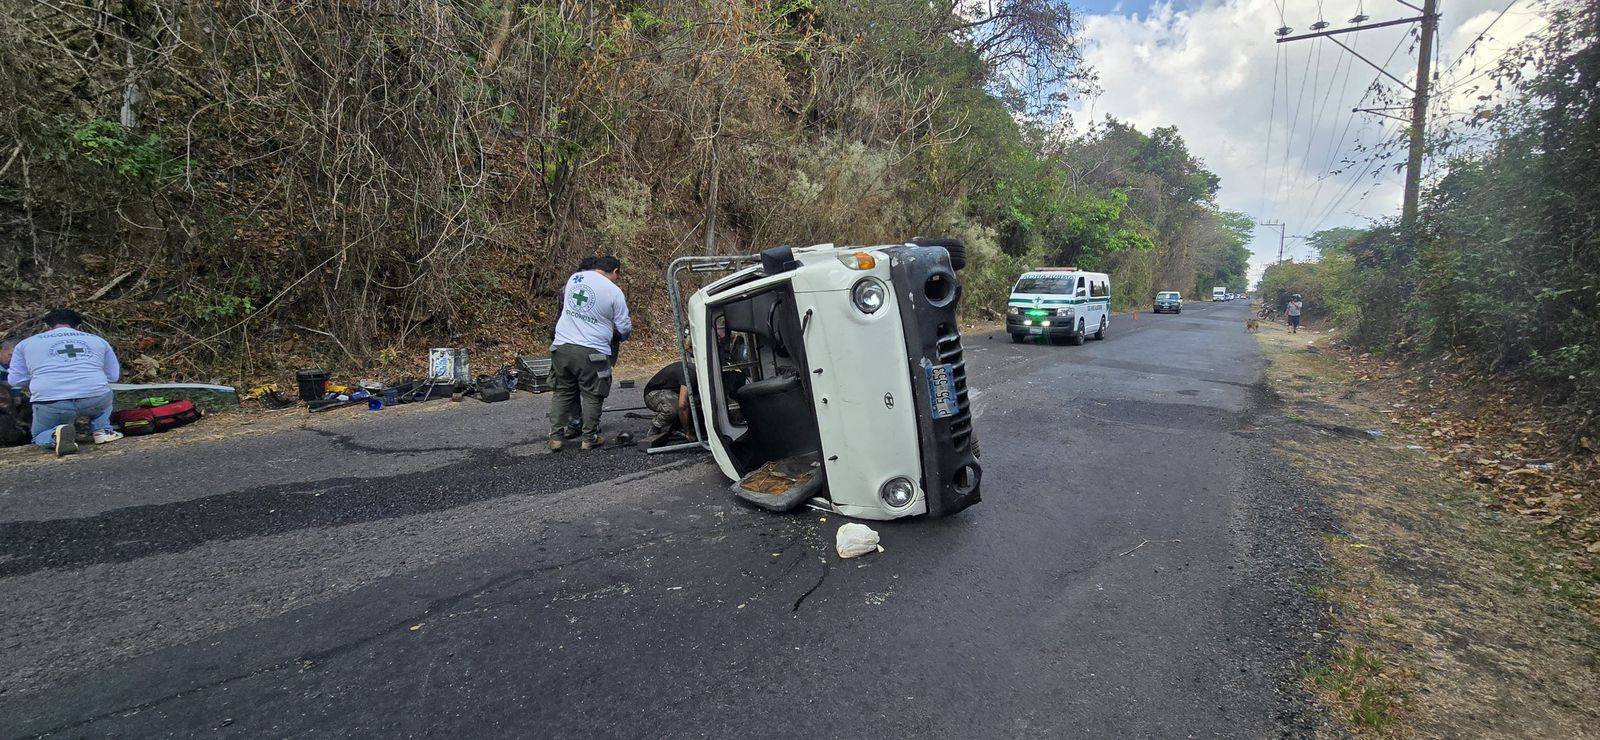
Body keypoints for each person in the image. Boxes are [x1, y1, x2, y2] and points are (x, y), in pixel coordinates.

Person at [5, 308, 124, 456]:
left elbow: (15, 380)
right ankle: (102, 430)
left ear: (47, 326)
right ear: (78, 326)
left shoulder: (25, 344)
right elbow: (113, 376)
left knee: (38, 434)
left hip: (51, 401)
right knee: (103, 398)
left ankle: (55, 435)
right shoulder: (98, 341)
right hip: (95, 398)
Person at [547, 256, 631, 451]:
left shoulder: (574, 279)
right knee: (593, 394)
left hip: (562, 347)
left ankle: (556, 438)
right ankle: (589, 438)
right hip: (593, 351)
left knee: (562, 392)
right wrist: (620, 335)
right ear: (615, 271)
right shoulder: (614, 291)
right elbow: (624, 327)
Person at [644, 347, 697, 443]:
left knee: (696, 402)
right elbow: (682, 405)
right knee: (674, 407)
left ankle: (677, 424)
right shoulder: (690, 373)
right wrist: (687, 432)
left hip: (671, 392)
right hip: (653, 394)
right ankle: (657, 425)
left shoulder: (695, 371)